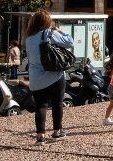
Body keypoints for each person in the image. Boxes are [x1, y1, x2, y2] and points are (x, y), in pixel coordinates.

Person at [24, 10, 73, 144]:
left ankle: (40, 136)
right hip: (55, 76)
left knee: (40, 106)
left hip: (36, 78)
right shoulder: (51, 34)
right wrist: (61, 31)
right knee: (57, 104)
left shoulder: (28, 39)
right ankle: (57, 131)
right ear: (47, 21)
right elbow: (70, 42)